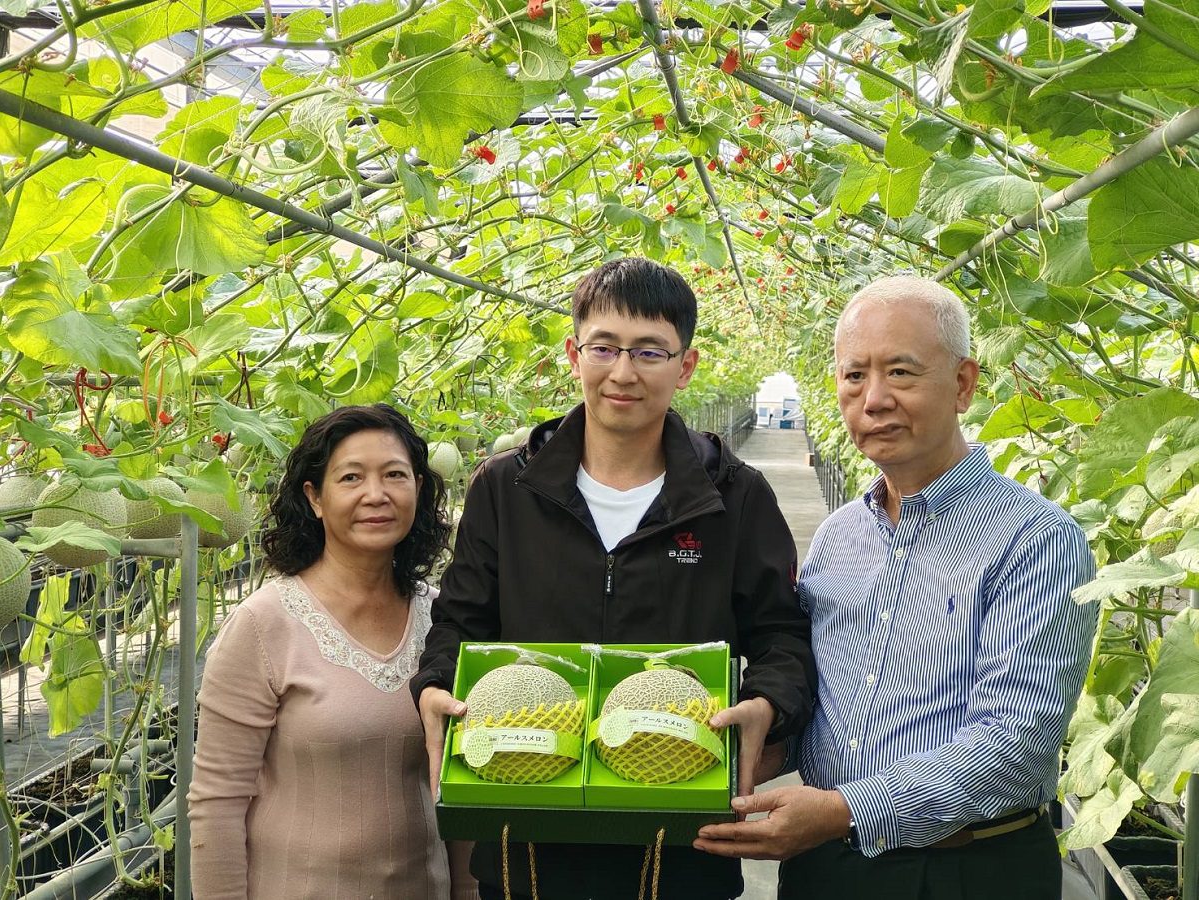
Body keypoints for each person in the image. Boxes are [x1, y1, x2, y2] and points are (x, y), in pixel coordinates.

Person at [412, 257, 815, 900]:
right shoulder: (504, 489)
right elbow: (460, 623)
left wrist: (767, 701)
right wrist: (435, 685)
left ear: (686, 365)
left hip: (681, 843)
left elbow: (782, 633)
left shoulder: (734, 497)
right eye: (604, 347)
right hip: (527, 837)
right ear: (574, 353)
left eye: (650, 351)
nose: (623, 372)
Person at [694, 275, 1098, 899]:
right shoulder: (837, 537)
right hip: (828, 866)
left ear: (963, 384)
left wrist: (844, 810)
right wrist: (761, 735)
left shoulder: (1036, 538)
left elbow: (1014, 745)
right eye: (854, 376)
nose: (874, 399)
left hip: (968, 870)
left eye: (901, 373)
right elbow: (825, 705)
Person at [188, 404, 478, 900]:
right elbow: (217, 804)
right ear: (314, 498)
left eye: (394, 475)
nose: (376, 494)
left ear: (420, 491)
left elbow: (462, 790)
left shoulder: (444, 623)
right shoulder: (264, 624)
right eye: (350, 477)